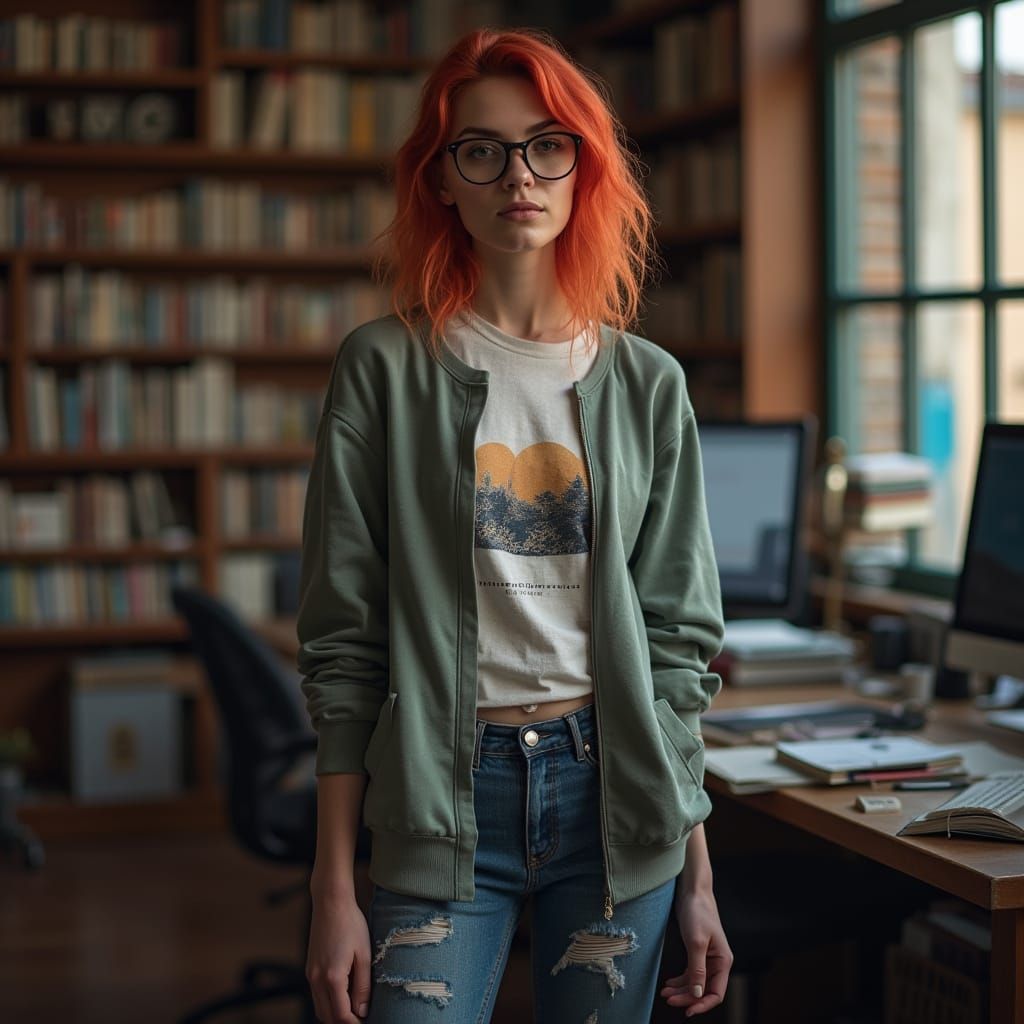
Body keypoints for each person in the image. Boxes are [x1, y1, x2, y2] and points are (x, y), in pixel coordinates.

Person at [297, 25, 732, 1024]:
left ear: (584, 166)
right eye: (480, 150)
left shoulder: (648, 386)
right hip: (442, 798)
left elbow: (675, 653)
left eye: (548, 144)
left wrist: (698, 875)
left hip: (615, 802)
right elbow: (341, 643)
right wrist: (334, 887)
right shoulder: (383, 369)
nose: (517, 175)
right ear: (441, 180)